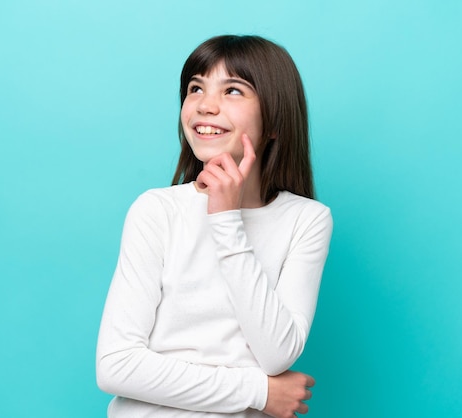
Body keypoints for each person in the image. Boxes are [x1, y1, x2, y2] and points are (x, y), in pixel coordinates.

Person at [96, 34, 333, 418]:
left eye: (233, 90)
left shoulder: (306, 220)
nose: (206, 106)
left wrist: (226, 220)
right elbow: (117, 365)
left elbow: (276, 354)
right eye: (195, 88)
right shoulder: (157, 210)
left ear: (274, 122)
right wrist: (258, 391)